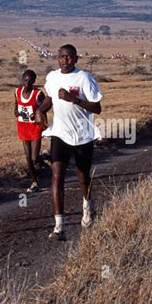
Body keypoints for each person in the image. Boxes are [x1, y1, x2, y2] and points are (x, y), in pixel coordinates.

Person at [35, 45, 103, 240]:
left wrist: (75, 99)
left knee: (83, 177)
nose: (64, 60)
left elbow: (97, 108)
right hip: (60, 133)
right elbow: (50, 98)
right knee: (57, 176)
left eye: (68, 57)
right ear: (58, 59)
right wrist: (40, 110)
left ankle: (88, 206)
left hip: (83, 135)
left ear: (75, 59)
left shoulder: (85, 78)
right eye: (61, 56)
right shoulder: (53, 77)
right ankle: (59, 227)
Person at [14, 69, 45, 192]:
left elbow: (44, 108)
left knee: (34, 158)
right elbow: (16, 103)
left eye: (30, 80)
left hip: (35, 127)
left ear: (34, 81)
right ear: (22, 79)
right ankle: (34, 182)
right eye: (26, 80)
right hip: (23, 126)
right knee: (28, 157)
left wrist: (37, 114)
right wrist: (16, 111)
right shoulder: (17, 91)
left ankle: (44, 161)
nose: (28, 82)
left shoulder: (38, 94)